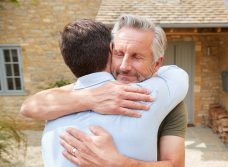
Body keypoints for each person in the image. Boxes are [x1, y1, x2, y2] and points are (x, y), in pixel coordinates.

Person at [21, 15, 188, 167]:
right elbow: (29, 106)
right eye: (119, 53)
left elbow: (175, 165)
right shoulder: (87, 90)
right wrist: (90, 99)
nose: (124, 66)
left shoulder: (168, 101)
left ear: (157, 64)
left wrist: (121, 164)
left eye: (137, 57)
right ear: (109, 52)